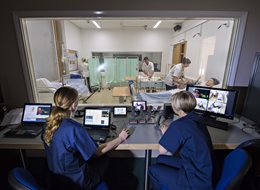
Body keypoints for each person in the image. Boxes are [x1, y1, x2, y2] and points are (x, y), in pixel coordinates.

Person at [42, 86, 129, 189]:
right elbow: (97, 153)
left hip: (56, 181)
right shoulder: (74, 128)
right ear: (73, 105)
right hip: (77, 182)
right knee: (104, 159)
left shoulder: (48, 125)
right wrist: (120, 138)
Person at [149, 91, 216, 190]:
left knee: (152, 169)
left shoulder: (178, 125)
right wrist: (170, 133)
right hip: (204, 169)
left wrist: (166, 133)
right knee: (160, 159)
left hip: (197, 181)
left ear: (176, 108)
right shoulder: (199, 119)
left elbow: (162, 150)